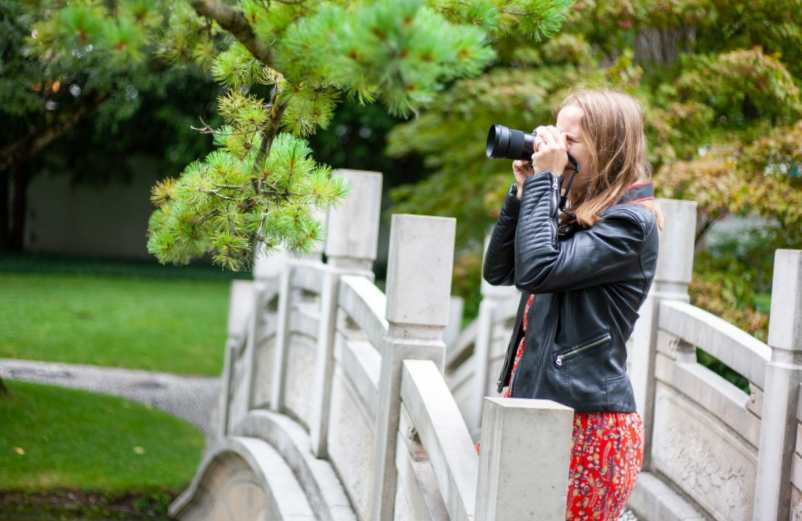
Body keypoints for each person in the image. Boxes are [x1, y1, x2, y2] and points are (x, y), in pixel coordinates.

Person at [481, 88, 664, 520]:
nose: (556, 149)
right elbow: (501, 270)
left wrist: (546, 182)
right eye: (554, 136)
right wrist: (524, 192)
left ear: (610, 148)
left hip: (587, 428)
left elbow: (539, 271)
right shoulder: (576, 214)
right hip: (538, 412)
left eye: (571, 140)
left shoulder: (631, 225)